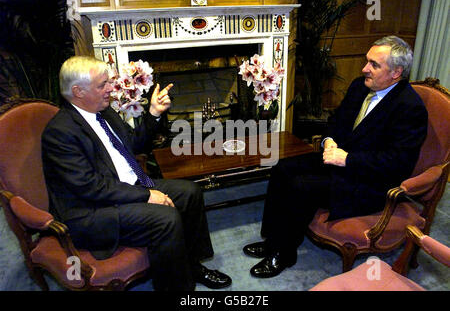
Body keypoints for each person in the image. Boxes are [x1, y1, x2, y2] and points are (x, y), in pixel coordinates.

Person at [243, 35, 428, 278]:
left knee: (301, 186)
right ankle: (272, 240)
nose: (365, 69)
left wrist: (347, 159)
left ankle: (284, 253)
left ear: (396, 73)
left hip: (369, 182)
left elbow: (397, 164)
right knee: (282, 168)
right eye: (366, 61)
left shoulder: (410, 108)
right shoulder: (359, 86)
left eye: (374, 64)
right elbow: (336, 121)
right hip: (338, 161)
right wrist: (329, 140)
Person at [41, 56, 232, 291]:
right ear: (78, 91)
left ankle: (193, 265)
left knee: (189, 192)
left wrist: (153, 113)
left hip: (127, 187)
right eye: (102, 85)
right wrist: (146, 196)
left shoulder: (104, 112)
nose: (110, 89)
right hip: (92, 210)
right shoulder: (60, 132)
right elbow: (90, 187)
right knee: (165, 218)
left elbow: (134, 145)